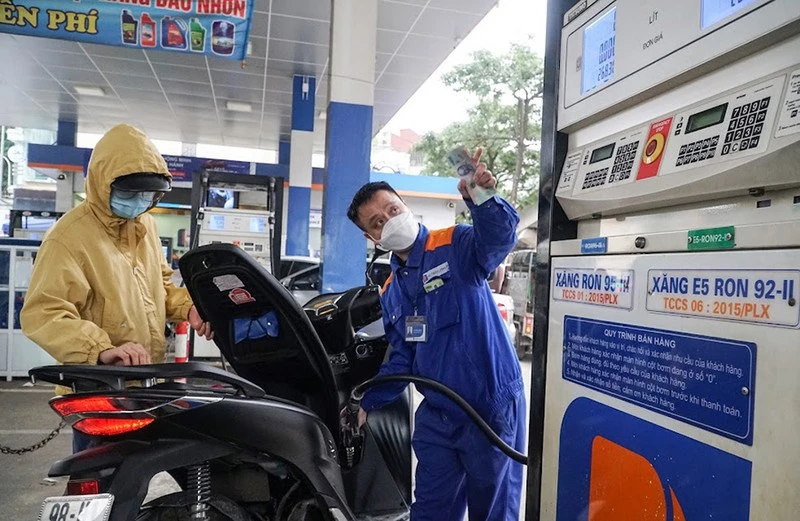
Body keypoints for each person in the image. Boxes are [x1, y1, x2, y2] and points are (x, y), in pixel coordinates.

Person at [345, 149, 525, 521]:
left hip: (488, 409)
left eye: (392, 210)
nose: (389, 222)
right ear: (371, 237)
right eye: (377, 222)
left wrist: (483, 198)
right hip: (439, 418)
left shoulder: (454, 244)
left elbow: (499, 240)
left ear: (405, 205)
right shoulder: (391, 291)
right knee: (429, 512)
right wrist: (366, 401)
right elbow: (402, 358)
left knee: (493, 513)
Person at [20, 124, 213, 453]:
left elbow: (159, 288)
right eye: (129, 192)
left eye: (148, 194)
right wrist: (100, 349)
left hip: (145, 385)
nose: (139, 201)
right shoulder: (68, 238)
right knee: (100, 476)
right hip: (99, 391)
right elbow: (45, 313)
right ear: (102, 183)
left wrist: (190, 308)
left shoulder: (144, 226)